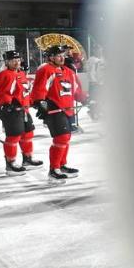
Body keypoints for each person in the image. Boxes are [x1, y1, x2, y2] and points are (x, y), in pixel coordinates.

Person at [31, 45, 86, 185]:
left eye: (63, 55)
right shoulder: (46, 70)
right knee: (61, 138)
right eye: (58, 55)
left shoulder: (68, 71)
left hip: (68, 109)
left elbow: (76, 89)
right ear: (50, 57)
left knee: (66, 138)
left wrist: (85, 98)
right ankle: (54, 169)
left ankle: (61, 165)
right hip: (54, 109)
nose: (62, 57)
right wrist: (40, 101)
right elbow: (40, 88)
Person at [0, 50, 42, 175]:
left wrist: (32, 102)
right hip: (12, 110)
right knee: (13, 137)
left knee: (28, 134)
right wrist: (6, 104)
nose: (16, 62)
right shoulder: (5, 74)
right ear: (7, 62)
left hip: (23, 109)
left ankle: (27, 159)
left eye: (18, 59)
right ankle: (10, 163)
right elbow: (4, 92)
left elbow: (24, 92)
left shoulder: (21, 73)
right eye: (13, 60)